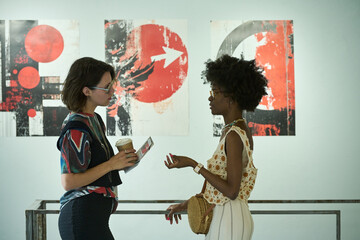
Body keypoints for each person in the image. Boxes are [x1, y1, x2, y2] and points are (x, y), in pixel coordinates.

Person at [164, 54, 268, 240]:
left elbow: (231, 191)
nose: (210, 98)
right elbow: (219, 188)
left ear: (231, 98)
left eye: (215, 92)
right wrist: (186, 205)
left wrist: (193, 164)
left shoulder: (234, 135)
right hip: (228, 216)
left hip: (229, 218)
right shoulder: (234, 130)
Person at [56, 57, 138, 240]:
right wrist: (111, 164)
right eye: (106, 87)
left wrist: (121, 162)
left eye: (112, 85)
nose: (112, 92)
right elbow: (69, 181)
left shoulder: (94, 120)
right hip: (81, 217)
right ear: (86, 91)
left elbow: (96, 167)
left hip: (95, 217)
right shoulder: (76, 128)